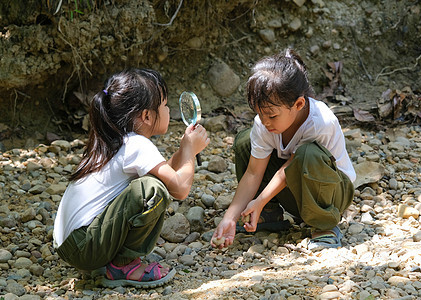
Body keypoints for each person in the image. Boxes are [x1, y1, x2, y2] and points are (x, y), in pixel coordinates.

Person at [53, 68, 210, 288]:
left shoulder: (114, 140)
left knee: (152, 183)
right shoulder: (137, 145)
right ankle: (124, 267)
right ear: (146, 115)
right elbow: (180, 189)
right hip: (84, 247)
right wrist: (189, 152)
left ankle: (109, 261)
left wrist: (185, 150)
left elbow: (166, 172)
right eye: (164, 105)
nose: (168, 110)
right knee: (151, 190)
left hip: (71, 245)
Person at [211, 49, 355, 251]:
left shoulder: (320, 122)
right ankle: (267, 214)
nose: (264, 121)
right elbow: (254, 172)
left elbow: (291, 169)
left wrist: (258, 200)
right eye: (260, 113)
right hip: (298, 193)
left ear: (298, 104)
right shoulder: (264, 123)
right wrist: (230, 218)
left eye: (271, 115)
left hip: (332, 194)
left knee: (307, 154)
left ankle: (325, 225)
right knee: (245, 141)